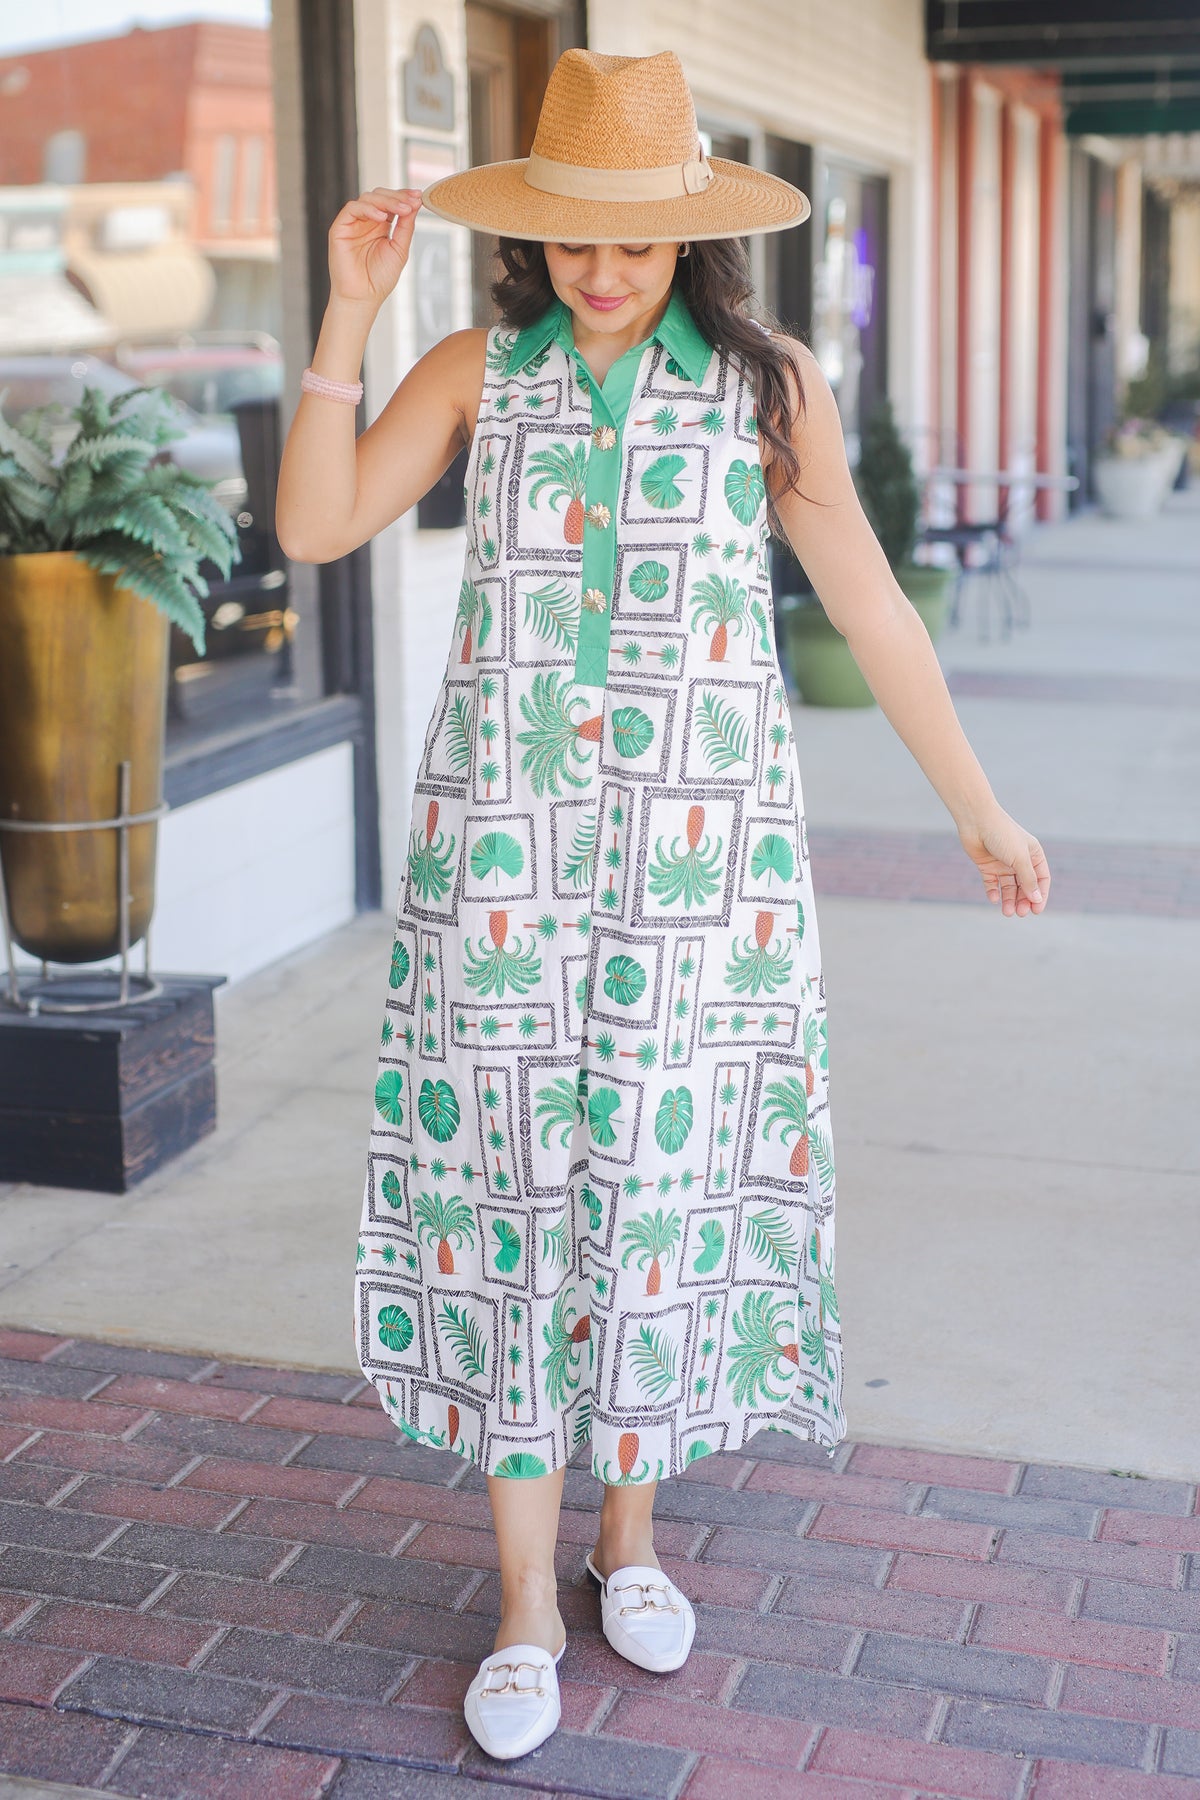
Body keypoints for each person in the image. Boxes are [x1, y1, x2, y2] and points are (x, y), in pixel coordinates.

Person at [276, 46, 1050, 1765]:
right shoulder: (484, 372)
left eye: (635, 242)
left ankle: (631, 1543)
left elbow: (872, 602)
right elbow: (320, 520)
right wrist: (346, 313)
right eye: (573, 240)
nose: (604, 272)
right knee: (508, 1197)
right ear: (534, 236)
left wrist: (979, 811)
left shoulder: (767, 389)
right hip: (502, 875)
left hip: (704, 895)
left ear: (691, 236)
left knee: (654, 1191)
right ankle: (527, 1597)